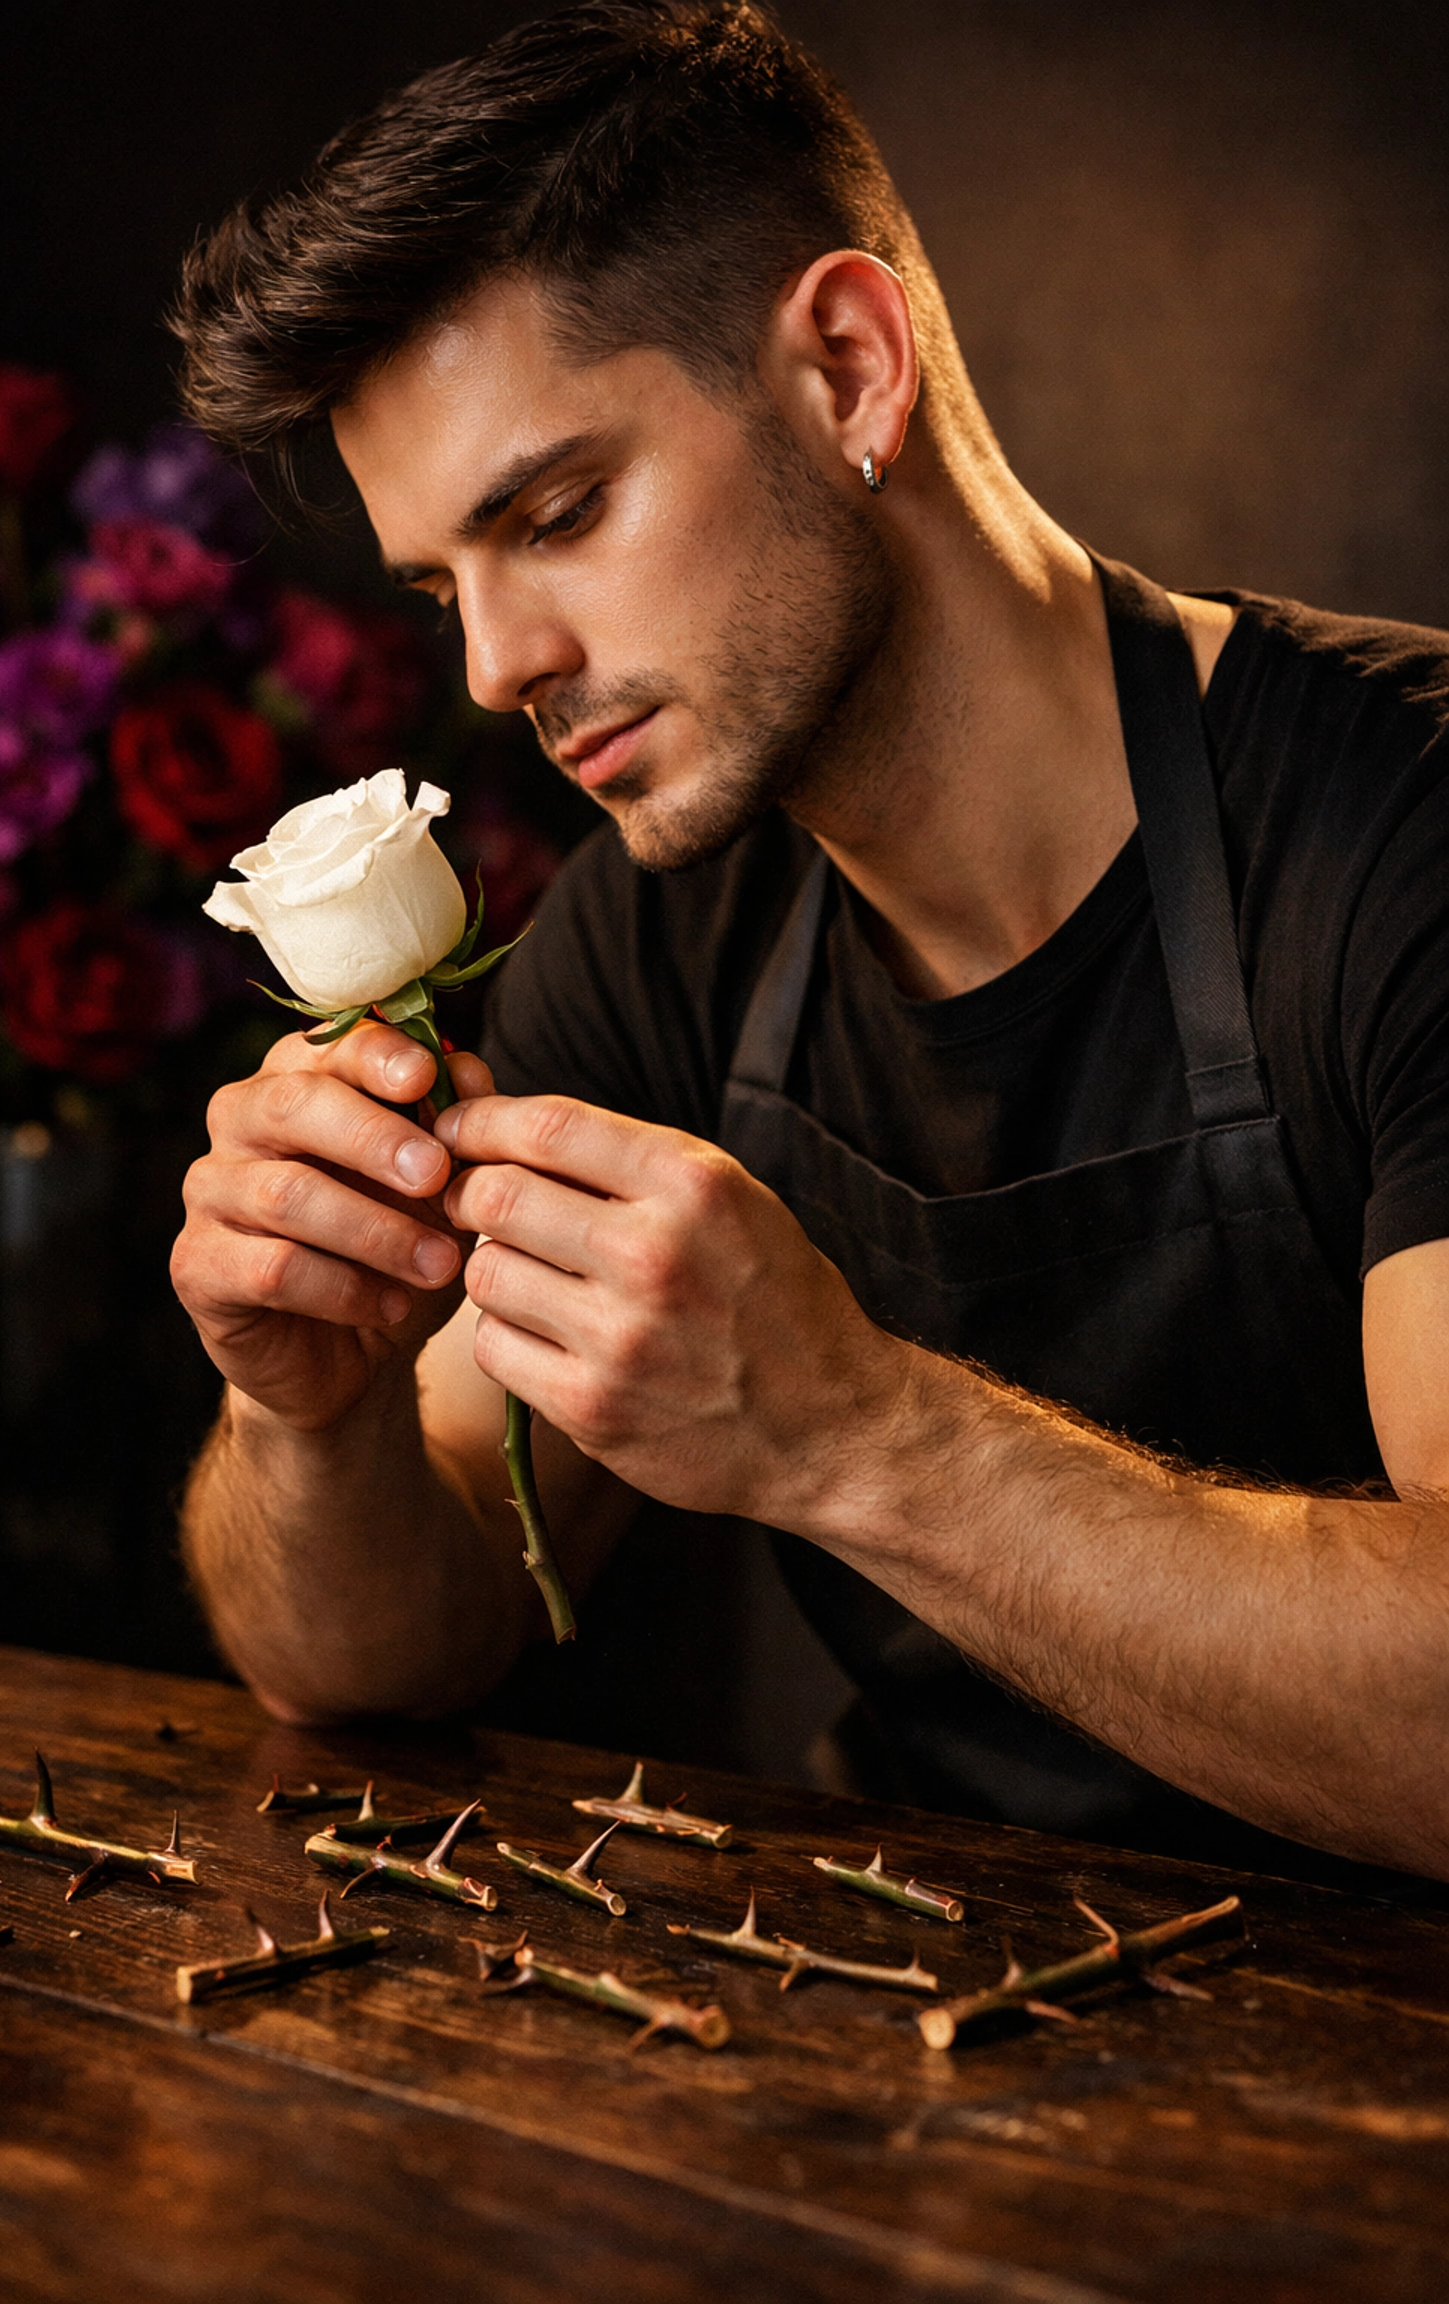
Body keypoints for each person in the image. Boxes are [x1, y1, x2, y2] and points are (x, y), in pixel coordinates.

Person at [168, 0, 1449, 1884]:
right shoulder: (655, 937)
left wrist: (857, 1435)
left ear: (849, 368)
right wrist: (308, 1414)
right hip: (896, 2004)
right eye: (449, 583)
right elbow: (385, 1647)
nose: (494, 666)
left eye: (561, 513)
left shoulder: (1409, 835)